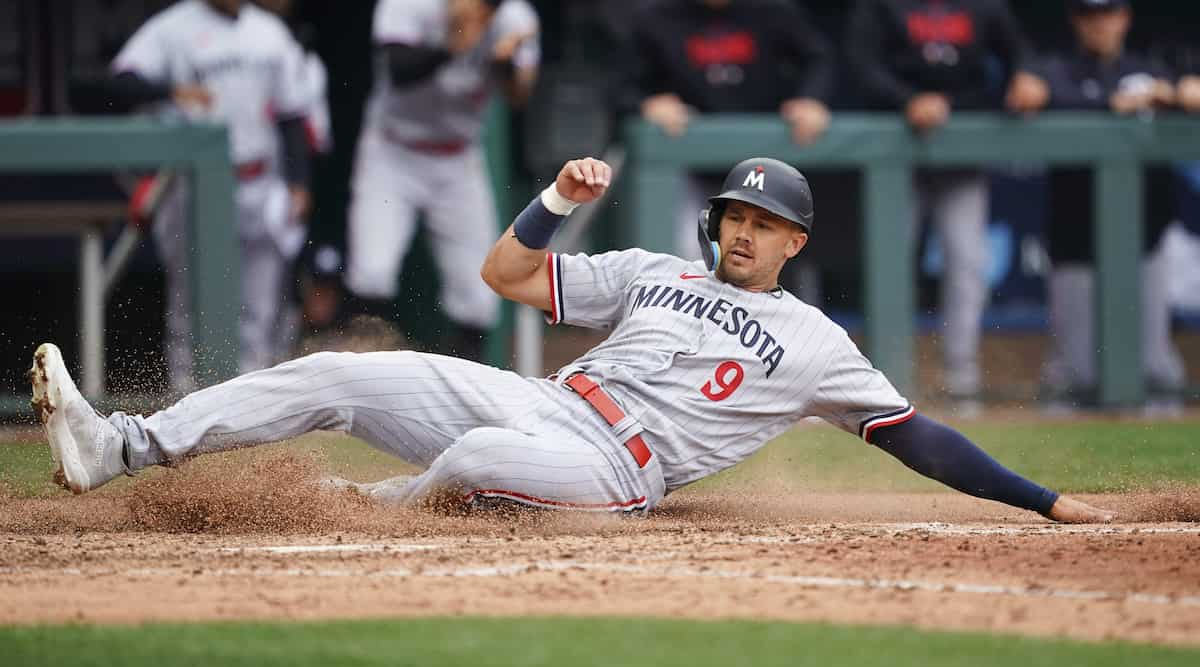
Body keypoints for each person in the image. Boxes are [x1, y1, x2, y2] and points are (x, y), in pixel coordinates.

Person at [31, 155, 1114, 524]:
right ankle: (120, 446)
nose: (741, 231)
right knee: (339, 373)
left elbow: (917, 436)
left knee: (477, 464)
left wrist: (1047, 502)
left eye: (762, 223)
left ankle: (363, 516)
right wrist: (553, 198)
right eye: (733, 215)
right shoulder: (654, 271)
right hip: (544, 400)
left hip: (615, 468)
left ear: (793, 241)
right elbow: (504, 274)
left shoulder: (819, 343)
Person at [846, 0, 1049, 410]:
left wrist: (1027, 75)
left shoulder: (983, 5)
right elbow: (859, 63)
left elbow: (1019, 49)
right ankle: (878, 380)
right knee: (888, 265)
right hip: (893, 153)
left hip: (960, 150)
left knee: (967, 262)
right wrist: (905, 99)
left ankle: (961, 379)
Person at [105, 0, 316, 393]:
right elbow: (117, 84)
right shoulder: (171, 27)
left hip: (261, 178)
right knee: (191, 304)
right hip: (196, 184)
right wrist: (170, 89)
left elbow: (292, 112)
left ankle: (253, 406)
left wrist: (298, 182)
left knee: (260, 308)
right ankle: (186, 401)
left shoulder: (268, 31)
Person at [344, 0, 540, 362]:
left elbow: (519, 95)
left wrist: (504, 64)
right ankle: (360, 369)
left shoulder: (513, 17)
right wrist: (456, 44)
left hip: (458, 159)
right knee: (371, 272)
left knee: (479, 296)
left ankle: (457, 389)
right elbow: (399, 69)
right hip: (393, 152)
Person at [1022, 0, 1186, 405]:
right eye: (1090, 15)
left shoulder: (1152, 70)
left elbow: (1190, 92)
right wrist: (1111, 105)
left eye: (1108, 13)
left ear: (1125, 17)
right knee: (1074, 371)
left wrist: (1177, 94)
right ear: (1076, 20)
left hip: (1144, 235)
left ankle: (1160, 461)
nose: (1100, 24)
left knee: (1155, 365)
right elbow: (1025, 97)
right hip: (1074, 236)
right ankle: (1055, 457)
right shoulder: (1054, 69)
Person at [621, 0, 835, 259]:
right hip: (688, 168)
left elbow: (818, 57)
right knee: (689, 257)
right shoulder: (654, 14)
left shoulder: (774, 10)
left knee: (781, 255)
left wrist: (811, 98)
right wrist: (647, 102)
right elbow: (620, 86)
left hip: (768, 169)